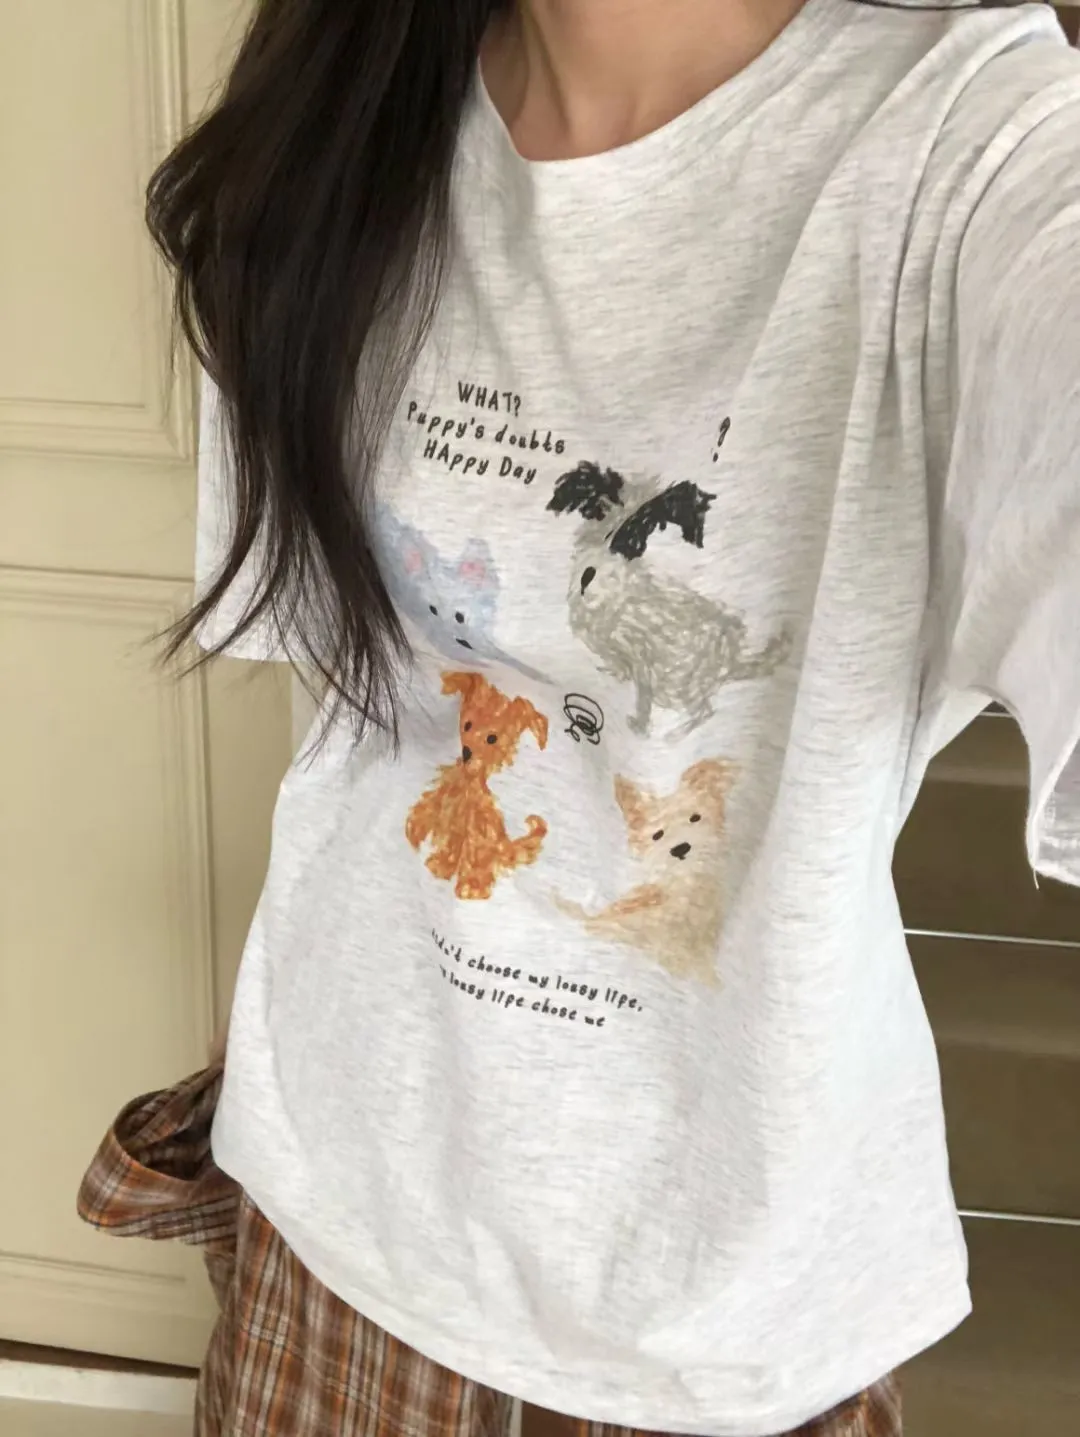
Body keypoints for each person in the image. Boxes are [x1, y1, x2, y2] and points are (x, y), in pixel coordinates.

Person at [78, 1, 1080, 1434]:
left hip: (709, 1317)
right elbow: (370, 726)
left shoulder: (976, 146)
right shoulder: (326, 137)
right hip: (330, 1210)